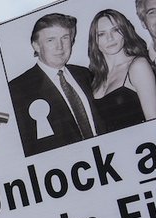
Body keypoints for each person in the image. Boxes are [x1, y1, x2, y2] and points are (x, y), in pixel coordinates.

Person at [9, 13, 102, 156]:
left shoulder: (85, 75)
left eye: (65, 38)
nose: (60, 47)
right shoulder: (18, 89)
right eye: (51, 40)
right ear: (36, 46)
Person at [87, 8, 156, 133]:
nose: (110, 38)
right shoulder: (93, 78)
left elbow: (155, 121)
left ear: (124, 32)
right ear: (95, 41)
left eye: (115, 30)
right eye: (101, 34)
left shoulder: (138, 66)